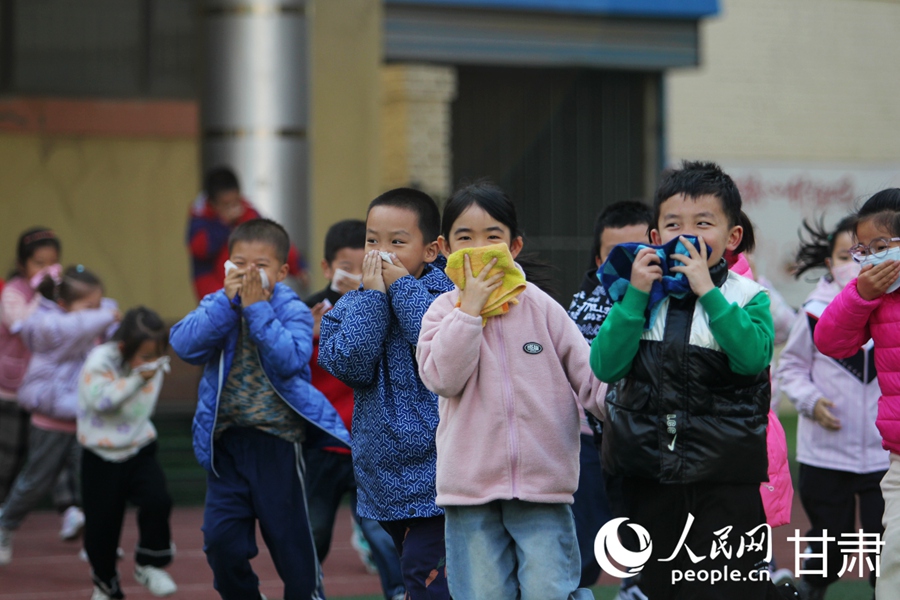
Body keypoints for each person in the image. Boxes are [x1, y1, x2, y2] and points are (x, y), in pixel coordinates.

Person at [591, 161, 776, 599]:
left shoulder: (747, 297)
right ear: (655, 238)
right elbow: (605, 366)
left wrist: (708, 292)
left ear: (731, 238)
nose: (686, 234)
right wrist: (635, 296)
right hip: (650, 475)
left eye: (703, 223)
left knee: (730, 586)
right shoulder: (638, 295)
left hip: (725, 479)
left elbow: (752, 358)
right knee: (661, 586)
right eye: (673, 224)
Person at [416, 181, 605, 600]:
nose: (480, 249)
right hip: (470, 491)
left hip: (544, 485)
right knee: (482, 593)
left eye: (493, 237)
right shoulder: (442, 312)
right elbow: (443, 378)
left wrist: (628, 407)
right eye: (466, 238)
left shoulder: (541, 307)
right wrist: (469, 312)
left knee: (549, 590)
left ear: (514, 246)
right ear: (446, 247)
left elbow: (590, 377)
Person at [170, 218, 349, 600]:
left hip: (278, 444)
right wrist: (227, 304)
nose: (249, 273)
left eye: (261, 265)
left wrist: (256, 310)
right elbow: (184, 344)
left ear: (283, 272)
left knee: (293, 550)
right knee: (221, 543)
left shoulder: (294, 310)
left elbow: (292, 360)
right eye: (240, 263)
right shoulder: (217, 304)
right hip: (226, 443)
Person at [318, 188, 454, 600]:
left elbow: (432, 339)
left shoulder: (448, 296)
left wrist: (400, 290)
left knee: (423, 576)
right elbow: (351, 364)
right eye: (372, 242)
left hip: (440, 475)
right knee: (416, 577)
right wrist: (376, 297)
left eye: (397, 242)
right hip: (384, 480)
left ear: (431, 250)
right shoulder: (355, 303)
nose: (382, 253)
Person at [775, 215, 886, 599]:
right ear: (829, 262)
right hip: (825, 453)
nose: (854, 264)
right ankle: (810, 589)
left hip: (883, 454)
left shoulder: (891, 308)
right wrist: (810, 401)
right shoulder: (814, 311)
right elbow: (790, 367)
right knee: (829, 545)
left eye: (867, 253)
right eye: (845, 254)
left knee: (886, 548)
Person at [304, 219, 405, 600]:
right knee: (313, 530)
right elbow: (286, 373)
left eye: (364, 265)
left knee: (381, 531)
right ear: (327, 267)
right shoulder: (306, 311)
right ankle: (308, 589)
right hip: (320, 445)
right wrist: (305, 336)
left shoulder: (385, 306)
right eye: (345, 266)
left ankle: (399, 591)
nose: (354, 275)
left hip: (369, 444)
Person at [812, 188, 900, 599]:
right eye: (863, 249)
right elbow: (830, 341)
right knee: (893, 564)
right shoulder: (874, 297)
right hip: (897, 458)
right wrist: (861, 296)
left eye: (881, 246)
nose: (870, 258)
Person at [0, 266, 119, 565]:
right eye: (88, 305)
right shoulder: (47, 325)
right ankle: (5, 524)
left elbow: (114, 333)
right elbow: (76, 328)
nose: (97, 310)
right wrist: (106, 313)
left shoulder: (95, 322)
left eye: (98, 302)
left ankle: (97, 541)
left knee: (96, 482)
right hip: (51, 421)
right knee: (35, 482)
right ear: (64, 304)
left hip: (86, 419)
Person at [566, 200, 652, 594]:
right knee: (583, 542)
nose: (630, 264)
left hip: (645, 438)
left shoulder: (666, 297)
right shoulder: (583, 305)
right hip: (587, 442)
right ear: (599, 257)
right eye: (617, 255)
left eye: (639, 253)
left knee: (644, 533)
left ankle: (635, 587)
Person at [78, 307, 178, 600]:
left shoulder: (152, 365)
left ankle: (150, 563)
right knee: (101, 528)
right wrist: (137, 380)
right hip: (100, 454)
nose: (153, 363)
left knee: (158, 500)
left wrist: (146, 370)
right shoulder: (99, 362)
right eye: (146, 356)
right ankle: (105, 584)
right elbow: (102, 402)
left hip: (138, 447)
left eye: (158, 354)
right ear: (123, 348)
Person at [186, 166, 308, 300]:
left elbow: (272, 241)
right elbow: (200, 249)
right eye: (226, 205)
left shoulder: (248, 213)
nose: (233, 209)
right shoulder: (201, 218)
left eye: (235, 202)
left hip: (249, 289)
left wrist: (298, 267)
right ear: (212, 203)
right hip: (214, 292)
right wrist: (222, 224)